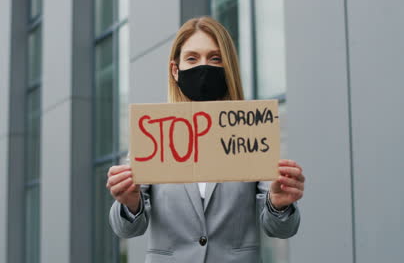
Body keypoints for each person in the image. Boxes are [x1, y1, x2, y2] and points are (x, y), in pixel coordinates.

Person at [107, 16, 305, 263]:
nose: (204, 67)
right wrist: (129, 203)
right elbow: (127, 229)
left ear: (228, 67)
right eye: (192, 58)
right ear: (175, 69)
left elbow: (282, 228)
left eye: (215, 58)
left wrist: (279, 204)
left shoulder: (250, 130)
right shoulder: (154, 132)